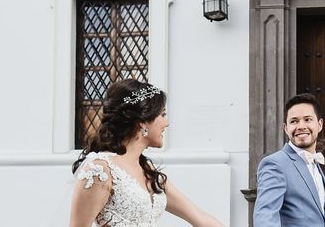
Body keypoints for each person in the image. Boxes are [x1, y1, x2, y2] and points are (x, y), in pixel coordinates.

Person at [69, 78, 225, 227]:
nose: (167, 123)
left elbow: (200, 219)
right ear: (142, 122)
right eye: (162, 115)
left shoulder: (148, 170)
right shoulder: (100, 170)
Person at [253, 93, 325, 227]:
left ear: (320, 124)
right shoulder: (275, 164)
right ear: (286, 128)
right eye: (294, 121)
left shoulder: (315, 164)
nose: (301, 126)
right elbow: (265, 217)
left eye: (307, 119)